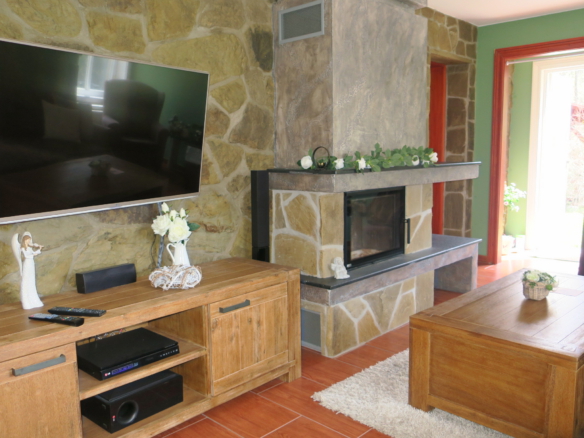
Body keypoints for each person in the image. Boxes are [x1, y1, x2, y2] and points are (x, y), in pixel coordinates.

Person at [11, 232, 44, 309]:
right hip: (27, 264)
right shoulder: (22, 248)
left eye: (29, 240)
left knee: (31, 280)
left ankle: (33, 299)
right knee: (27, 280)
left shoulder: (29, 248)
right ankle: (26, 301)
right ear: (25, 240)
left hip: (31, 263)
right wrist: (33, 254)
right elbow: (27, 256)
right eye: (28, 240)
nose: (29, 241)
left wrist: (39, 249)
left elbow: (33, 252)